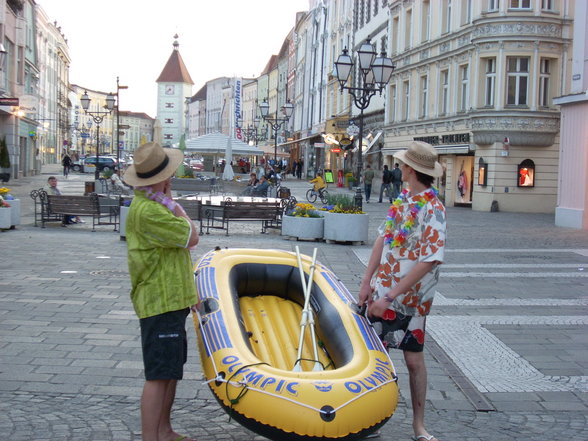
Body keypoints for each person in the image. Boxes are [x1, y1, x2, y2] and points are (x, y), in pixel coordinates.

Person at [358, 141, 445, 441]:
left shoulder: (433, 208)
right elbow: (382, 239)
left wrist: (390, 296)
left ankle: (419, 426)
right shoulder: (404, 198)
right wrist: (367, 280)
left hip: (411, 300)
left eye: (403, 165)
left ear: (411, 169)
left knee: (413, 360)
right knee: (375, 356)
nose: (400, 168)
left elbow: (430, 259)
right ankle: (370, 419)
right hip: (382, 290)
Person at [122, 142, 199, 441]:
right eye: (168, 175)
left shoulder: (153, 205)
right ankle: (150, 437)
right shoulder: (150, 211)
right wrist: (175, 205)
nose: (171, 179)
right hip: (159, 300)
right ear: (156, 180)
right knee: (158, 375)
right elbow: (191, 236)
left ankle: (164, 431)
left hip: (173, 298)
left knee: (170, 369)